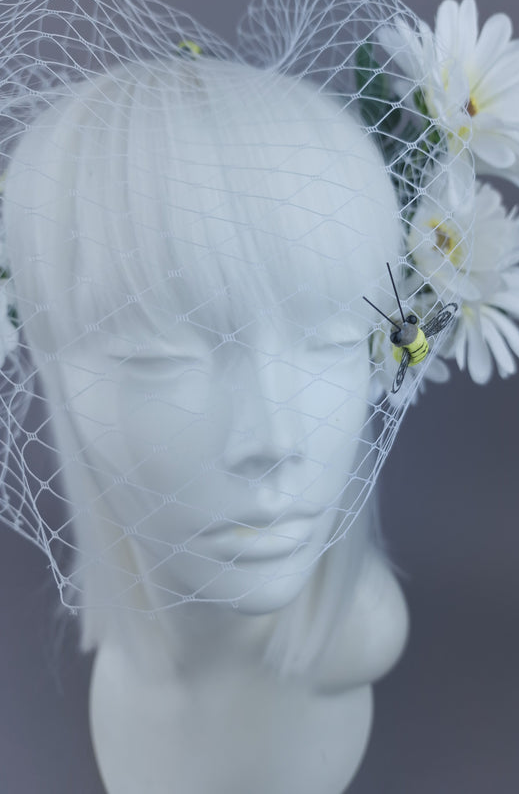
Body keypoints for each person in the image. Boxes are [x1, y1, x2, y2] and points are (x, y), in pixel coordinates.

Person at [3, 53, 411, 794]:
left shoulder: (360, 639)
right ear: (49, 363)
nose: (273, 441)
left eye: (334, 342)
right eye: (162, 359)